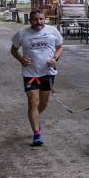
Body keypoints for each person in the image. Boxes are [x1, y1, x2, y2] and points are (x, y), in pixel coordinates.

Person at [10, 10, 64, 147]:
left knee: (43, 103)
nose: (38, 22)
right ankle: (36, 134)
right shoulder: (22, 33)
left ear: (45, 19)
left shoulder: (52, 31)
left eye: (41, 19)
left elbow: (60, 47)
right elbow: (13, 50)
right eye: (35, 20)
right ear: (30, 21)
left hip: (48, 73)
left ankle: (34, 117)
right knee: (33, 102)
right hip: (30, 74)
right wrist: (21, 59)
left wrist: (55, 59)